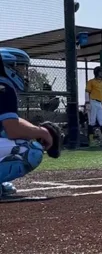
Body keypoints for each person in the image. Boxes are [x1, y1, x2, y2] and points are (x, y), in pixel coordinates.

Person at [0, 48, 62, 197]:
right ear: (8, 66)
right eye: (20, 67)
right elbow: (12, 129)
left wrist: (37, 129)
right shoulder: (4, 88)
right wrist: (42, 132)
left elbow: (11, 120)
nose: (24, 73)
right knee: (30, 149)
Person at [85, 66, 102, 145]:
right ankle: (91, 140)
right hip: (92, 102)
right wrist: (87, 103)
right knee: (92, 121)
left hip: (100, 103)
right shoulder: (91, 81)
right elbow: (87, 92)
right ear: (96, 72)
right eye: (100, 71)